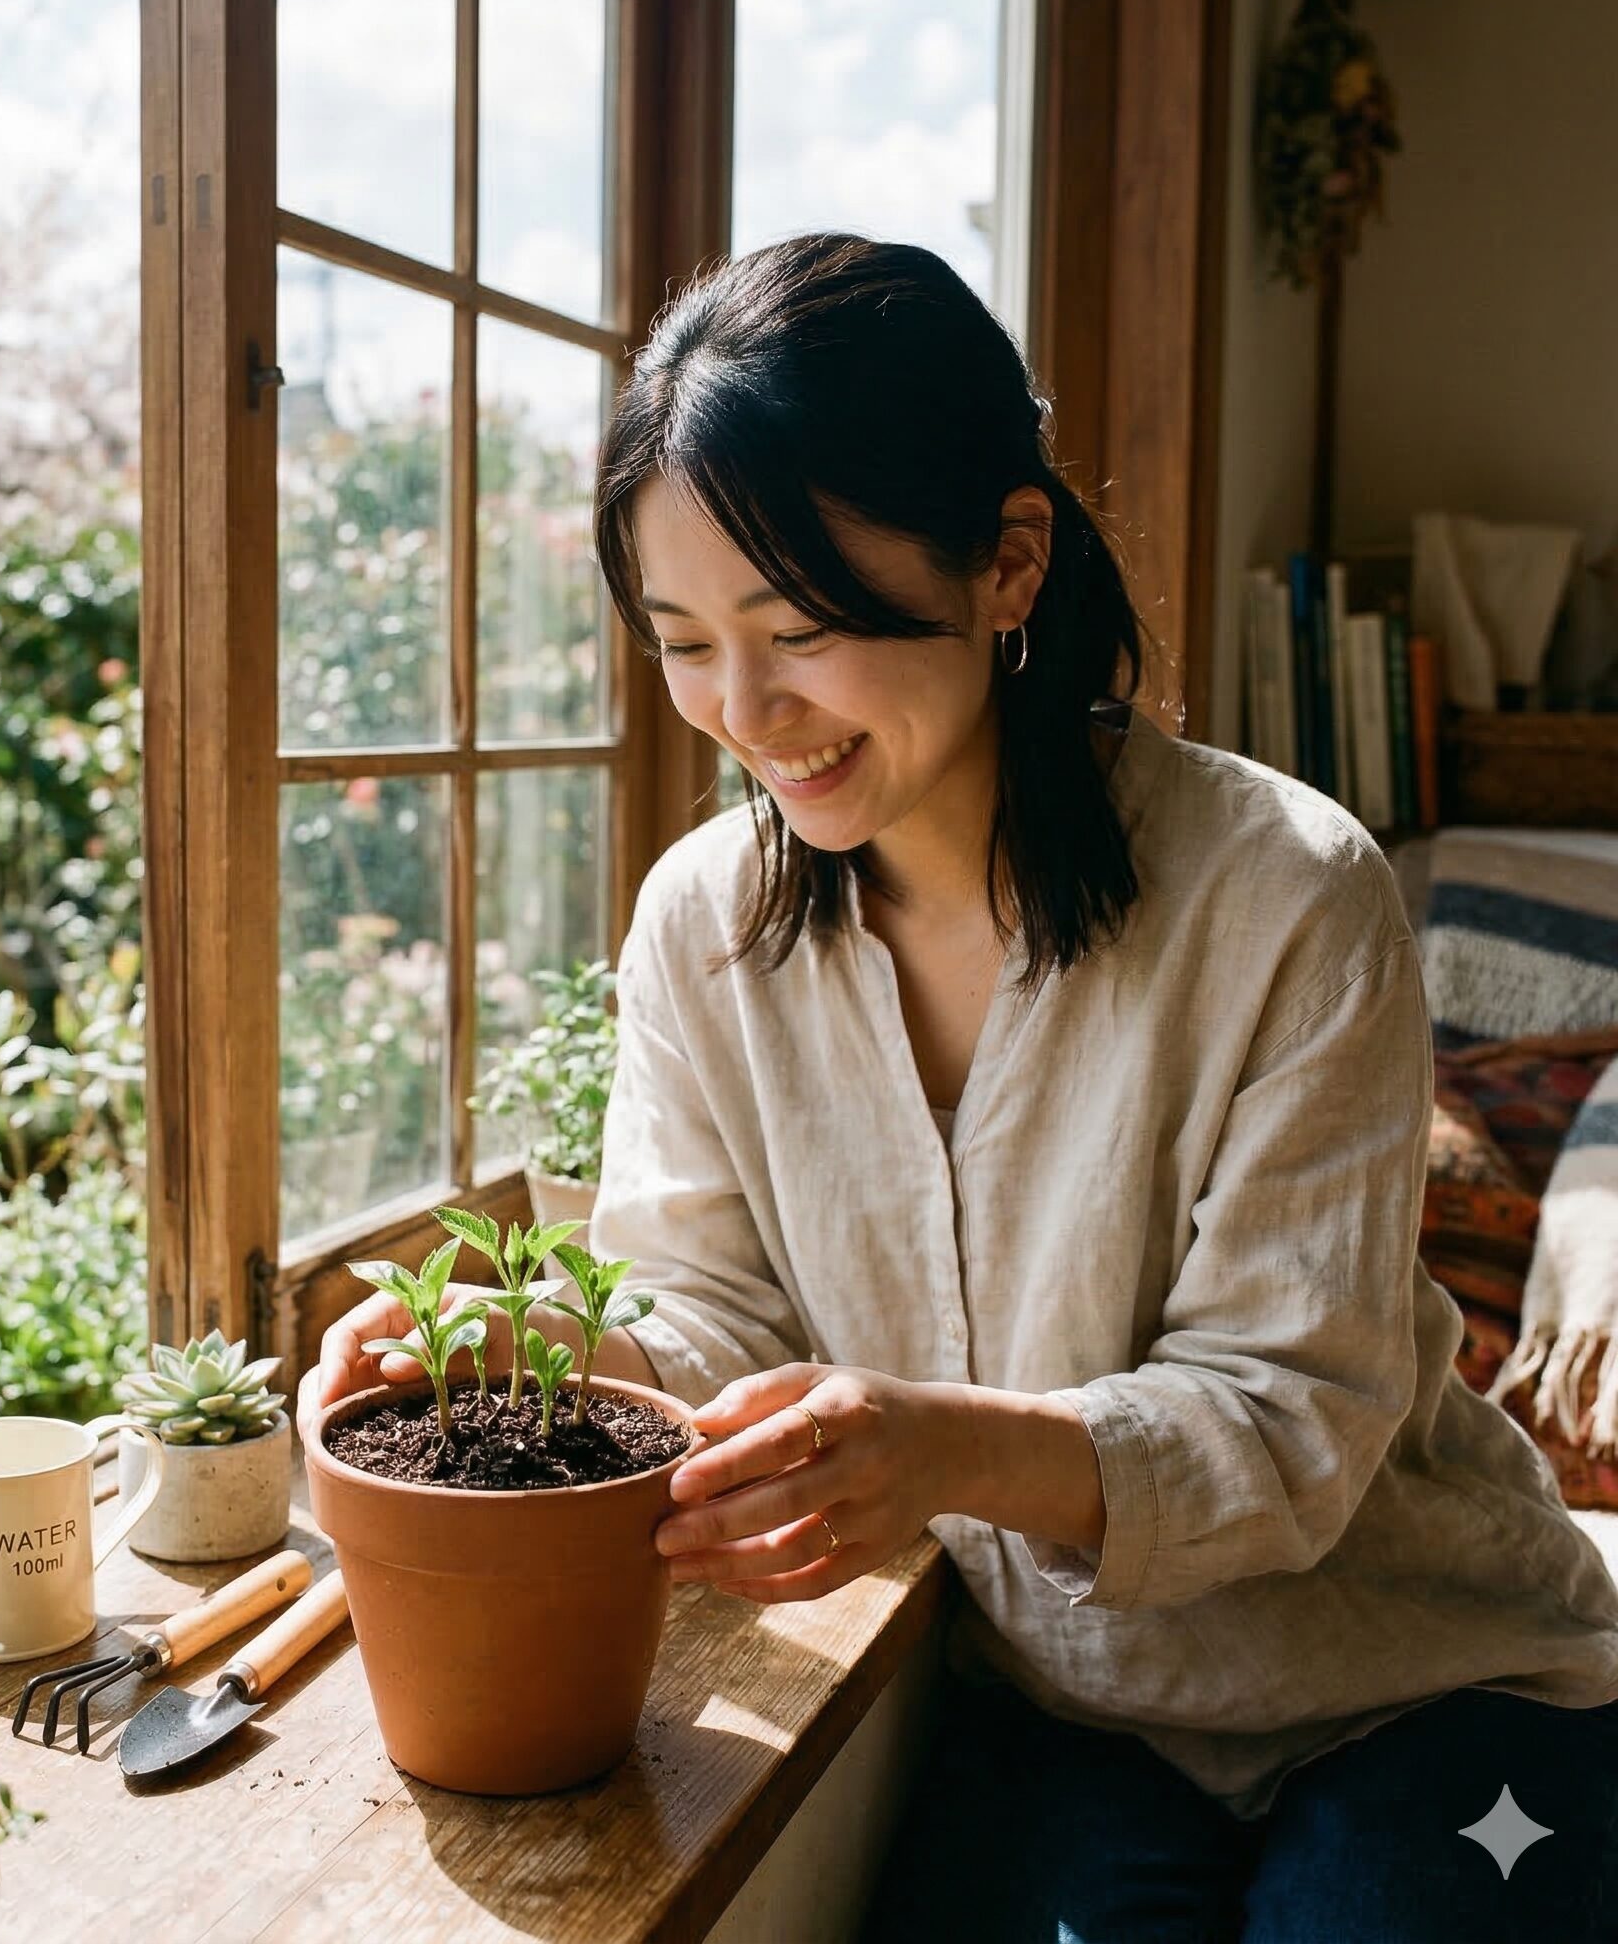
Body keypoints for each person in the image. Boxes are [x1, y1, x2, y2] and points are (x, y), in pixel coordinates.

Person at [311, 233, 1618, 1939]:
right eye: (686, 642)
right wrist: (542, 1349)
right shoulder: (701, 928)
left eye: (803, 628)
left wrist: (941, 1446)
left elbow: (1297, 1422)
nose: (747, 713)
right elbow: (715, 1313)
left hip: (1430, 1685)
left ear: (1009, 563)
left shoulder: (1291, 893)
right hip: (1064, 1722)